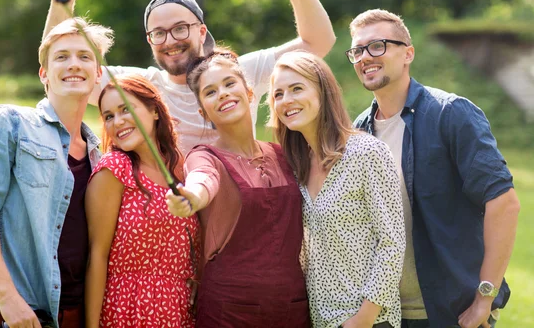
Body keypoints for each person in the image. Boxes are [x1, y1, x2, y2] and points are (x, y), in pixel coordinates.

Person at [43, 0, 336, 154]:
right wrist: (60, 3)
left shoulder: (235, 75)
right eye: (159, 33)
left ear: (201, 31)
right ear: (150, 41)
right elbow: (57, 74)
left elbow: (318, 43)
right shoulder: (140, 86)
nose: (170, 40)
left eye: (181, 28)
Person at [348, 9, 520, 328]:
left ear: (407, 54)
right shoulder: (358, 132)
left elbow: (504, 204)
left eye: (377, 46)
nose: (364, 57)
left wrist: (485, 298)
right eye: (357, 50)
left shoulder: (450, 114)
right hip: (386, 315)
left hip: (451, 313)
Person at [0, 17, 114, 327]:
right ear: (44, 74)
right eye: (61, 57)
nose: (73, 65)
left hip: (76, 314)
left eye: (84, 56)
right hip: (16, 314)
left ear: (98, 75)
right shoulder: (9, 123)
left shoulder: (100, 156)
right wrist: (8, 297)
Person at [165, 49, 310, 328]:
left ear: (250, 92)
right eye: (210, 92)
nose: (222, 93)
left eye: (230, 84)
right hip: (229, 311)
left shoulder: (284, 154)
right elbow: (202, 179)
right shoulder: (204, 156)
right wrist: (191, 197)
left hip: (293, 307)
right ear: (202, 111)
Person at [268, 51, 405, 328]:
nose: (286, 100)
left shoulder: (367, 153)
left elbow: (392, 244)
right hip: (319, 319)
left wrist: (363, 319)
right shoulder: (295, 165)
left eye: (297, 88)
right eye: (278, 94)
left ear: (323, 91)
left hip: (370, 321)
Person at [84, 75, 199, 327]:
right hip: (127, 308)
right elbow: (97, 255)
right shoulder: (115, 169)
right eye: (109, 116)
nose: (118, 121)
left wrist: (196, 279)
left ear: (155, 111)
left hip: (179, 311)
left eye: (126, 109)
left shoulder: (183, 168)